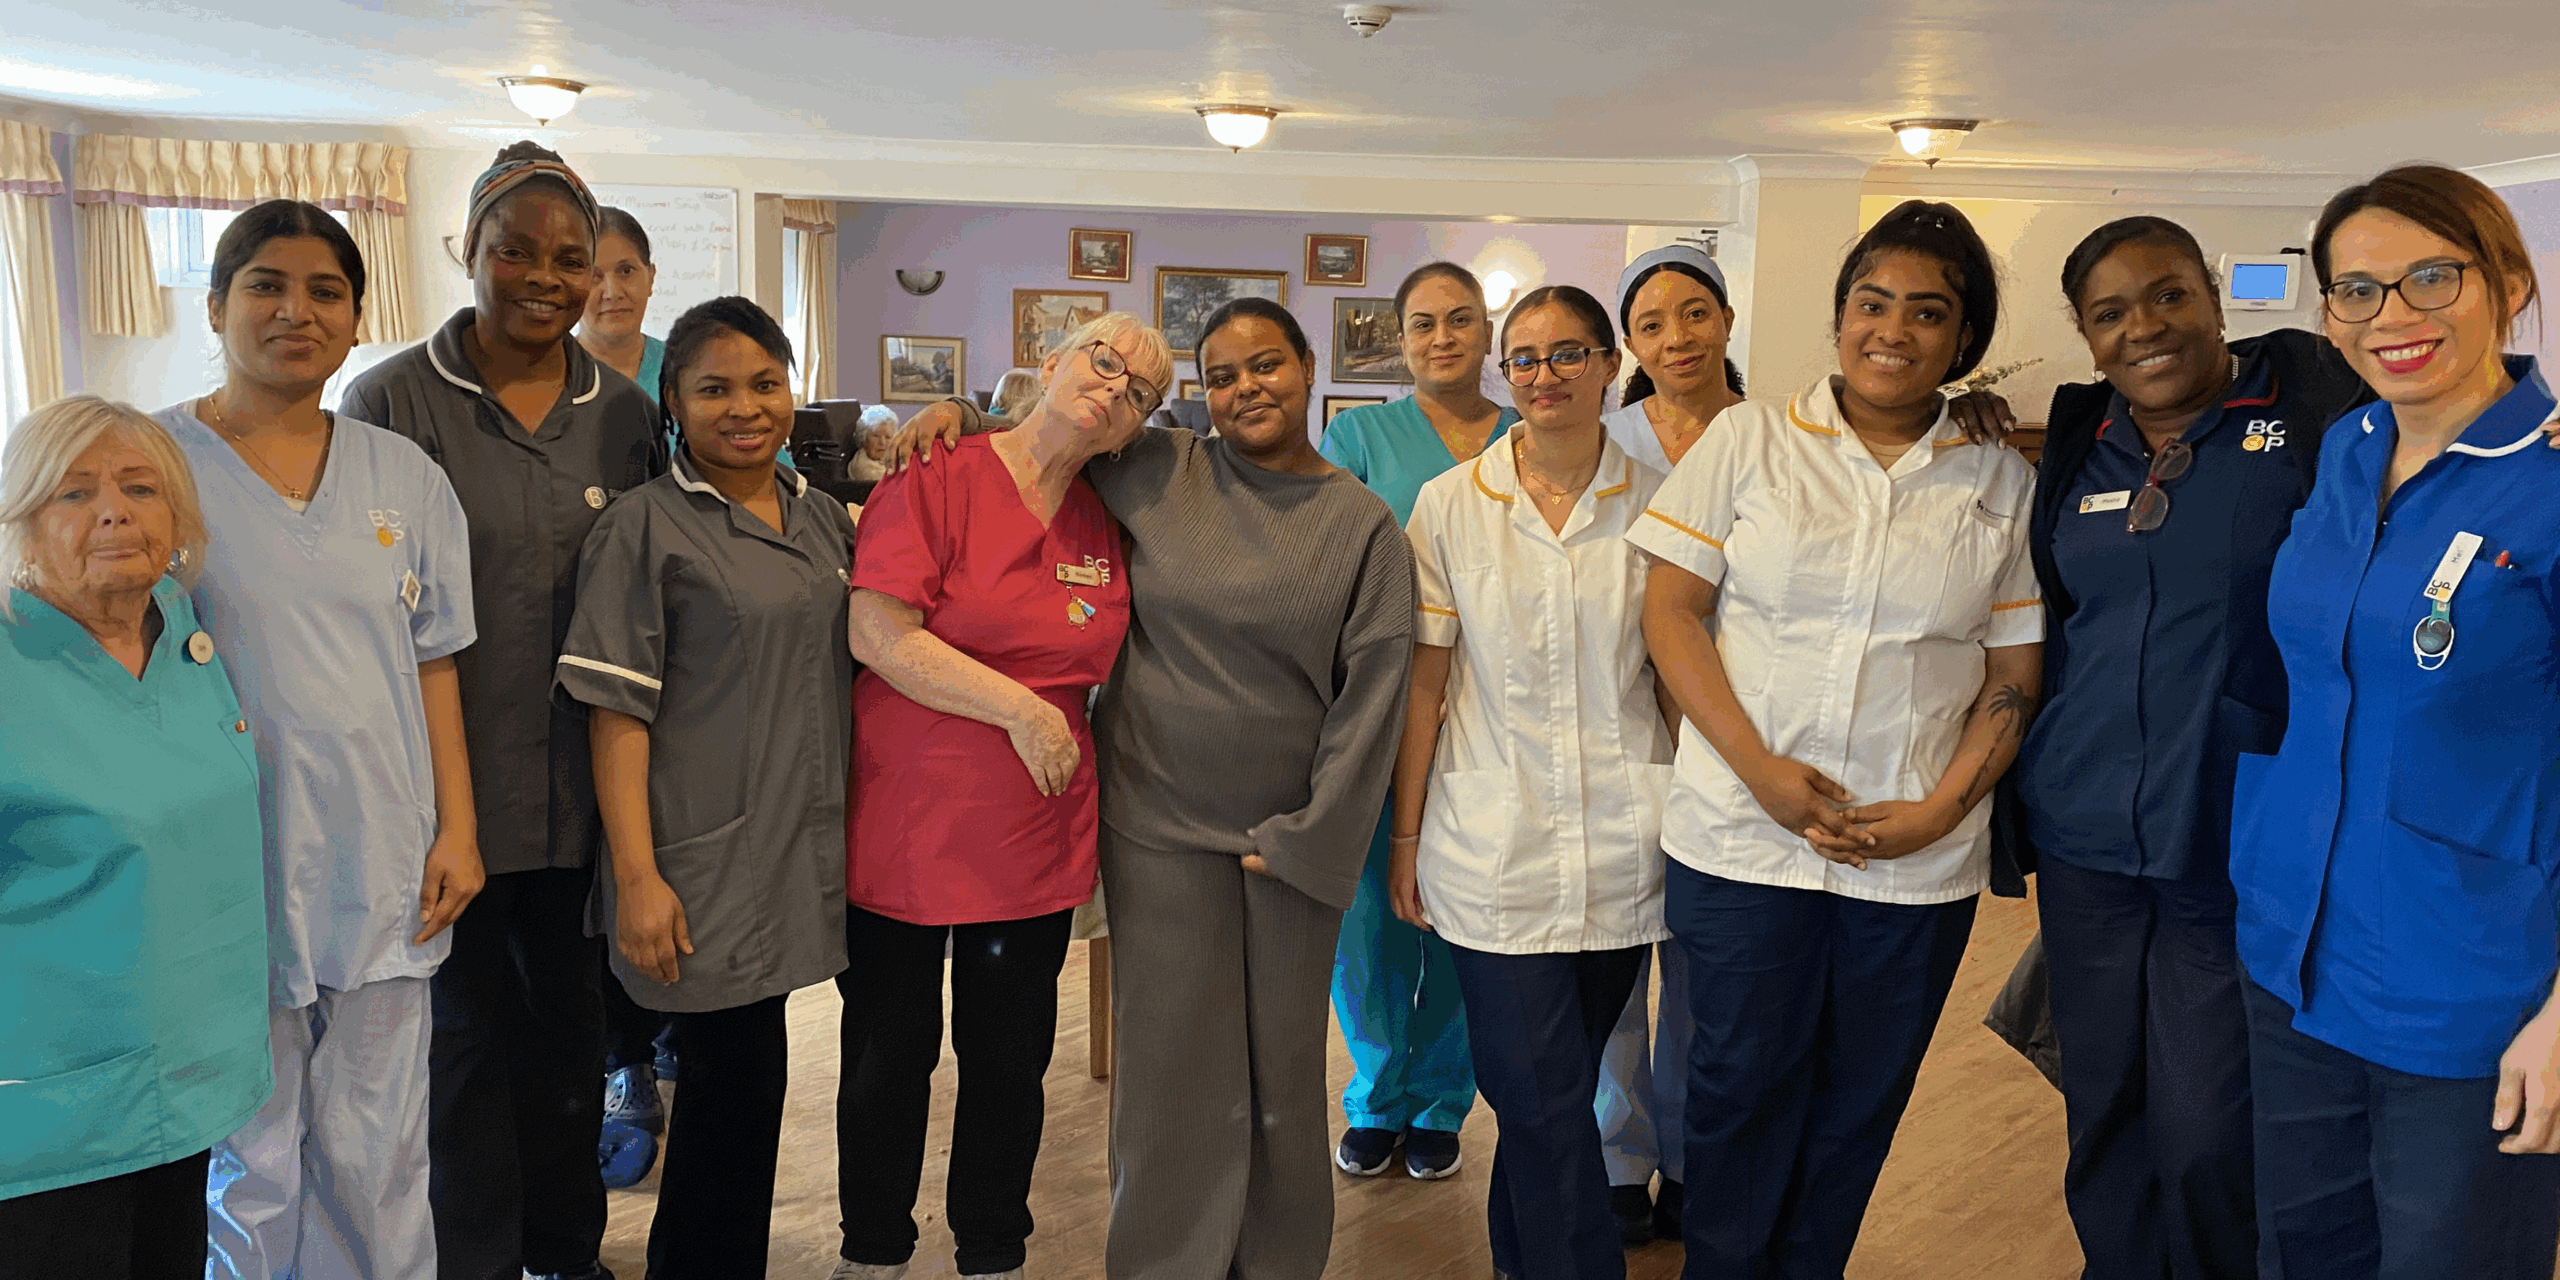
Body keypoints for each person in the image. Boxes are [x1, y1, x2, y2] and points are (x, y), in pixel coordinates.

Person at [891, 295, 1416, 1279]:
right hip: (1157, 827)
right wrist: (962, 420)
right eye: (1219, 375)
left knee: (1283, 1069)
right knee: (1169, 1072)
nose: (1244, 387)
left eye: (1265, 364)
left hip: (1289, 836)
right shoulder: (1157, 467)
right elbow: (1048, 436)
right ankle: (1166, 1260)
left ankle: (1274, 1256)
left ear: (1309, 367)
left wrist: (1315, 834)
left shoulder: (1363, 526)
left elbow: (1375, 692)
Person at [1628, 200, 2042, 1278]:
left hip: (1916, 862)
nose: (1890, 330)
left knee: (1858, 1105)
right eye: (1870, 303)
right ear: (1837, 316)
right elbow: (1670, 613)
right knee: (1734, 1098)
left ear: (1964, 339)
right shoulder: (1748, 440)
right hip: (1741, 841)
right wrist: (1759, 771)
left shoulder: (2000, 479)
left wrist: (1939, 810)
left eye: (1926, 311)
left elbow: (2012, 671)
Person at [2006, 215, 2373, 1280]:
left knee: (2212, 1118)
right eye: (2109, 313)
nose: (2144, 328)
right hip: (2084, 838)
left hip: (2233, 830)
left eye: (2166, 294)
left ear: (2211, 295)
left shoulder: (2313, 415)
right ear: (2083, 335)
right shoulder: (2083, 446)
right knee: (2103, 1102)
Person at [2230, 163, 2560, 1279]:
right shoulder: (2347, 450)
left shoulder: (2550, 479)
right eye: (2356, 290)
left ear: (2507, 281)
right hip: (2295, 953)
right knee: (2303, 1254)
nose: (2394, 316)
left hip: (2475, 985)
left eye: (2431, 276)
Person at [341, 140, 662, 1280]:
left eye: (570, 257)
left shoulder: (625, 411)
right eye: (513, 248)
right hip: (440, 795)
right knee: (462, 1045)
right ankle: (472, 1258)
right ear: (465, 250)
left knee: (569, 1034)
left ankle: (566, 1251)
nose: (543, 274)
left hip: (579, 791)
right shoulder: (389, 398)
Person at [154, 199, 480, 1280]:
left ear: (355, 320)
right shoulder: (153, 465)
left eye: (326, 291)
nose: (297, 310)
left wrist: (458, 830)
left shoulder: (406, 478)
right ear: (215, 305)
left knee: (379, 1145)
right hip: (228, 858)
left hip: (383, 850)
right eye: (266, 285)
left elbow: (436, 659)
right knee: (250, 1156)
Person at [829, 312, 1165, 1280]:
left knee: (1010, 1060)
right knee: (889, 1053)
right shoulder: (936, 470)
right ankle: (874, 1246)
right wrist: (1022, 709)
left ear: (1137, 426)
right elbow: (879, 632)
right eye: (1102, 359)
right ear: (1051, 362)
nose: (1113, 386)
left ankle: (992, 1246)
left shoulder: (1109, 516)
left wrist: (1038, 726)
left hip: (1033, 833)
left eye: (1138, 389)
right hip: (906, 822)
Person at [556, 297, 853, 1278]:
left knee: (746, 1093)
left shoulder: (819, 518)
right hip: (695, 852)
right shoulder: (647, 529)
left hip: (791, 842)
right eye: (714, 387)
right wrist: (635, 876)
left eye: (765, 382)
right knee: (729, 1093)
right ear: (672, 403)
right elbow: (614, 712)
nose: (745, 407)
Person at [1385, 283, 1671, 1280]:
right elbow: (1425, 685)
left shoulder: (1660, 499)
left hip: (1625, 846)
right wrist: (1406, 836)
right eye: (1526, 357)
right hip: (1487, 845)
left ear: (1605, 365)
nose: (1543, 374)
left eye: (1567, 353)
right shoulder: (1450, 507)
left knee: (1554, 1092)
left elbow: (1678, 679)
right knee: (1541, 1098)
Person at [0, 396, 268, 1280]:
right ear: (24, 524)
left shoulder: (177, 622)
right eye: (74, 493)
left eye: (140, 487)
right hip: (46, 1115)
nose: (115, 510)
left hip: (179, 1080)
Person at [1316, 261, 1516, 1180]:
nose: (1444, 337)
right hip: (1381, 706)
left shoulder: (1531, 432)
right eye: (1425, 322)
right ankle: (1376, 1092)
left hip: (1498, 713)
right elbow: (1328, 557)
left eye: (1462, 320)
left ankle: (1443, 1098)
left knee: (1464, 906)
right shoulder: (1358, 435)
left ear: (1488, 333)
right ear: (1400, 340)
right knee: (1370, 920)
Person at [1589, 243, 1738, 1243]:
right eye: (1650, 323)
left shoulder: (1780, 432)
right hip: (1616, 724)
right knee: (1605, 959)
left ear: (1726, 318)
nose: (1675, 336)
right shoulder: (1601, 437)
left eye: (1693, 312)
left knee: (1702, 965)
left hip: (1737, 732)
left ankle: (1690, 1157)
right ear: (1628, 344)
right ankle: (1615, 1153)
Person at [579, 206, 664, 401]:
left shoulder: (688, 371)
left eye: (626, 271)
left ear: (651, 278)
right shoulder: (543, 378)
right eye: (594, 276)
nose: (612, 293)